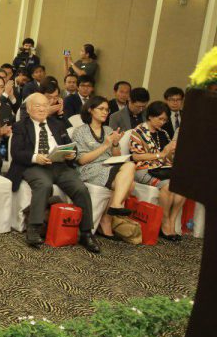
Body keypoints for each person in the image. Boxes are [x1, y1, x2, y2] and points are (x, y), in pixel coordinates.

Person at [6, 93, 100, 253]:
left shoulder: (57, 124)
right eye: (37, 106)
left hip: (59, 165)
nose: (42, 109)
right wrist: (36, 157)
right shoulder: (21, 126)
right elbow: (16, 152)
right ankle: (34, 229)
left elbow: (70, 145)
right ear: (28, 109)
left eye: (45, 105)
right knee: (44, 185)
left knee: (80, 188)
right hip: (34, 165)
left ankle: (86, 233)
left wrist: (71, 154)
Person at [73, 96, 138, 237]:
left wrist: (115, 144)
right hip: (89, 169)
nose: (105, 112)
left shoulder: (108, 129)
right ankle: (110, 213)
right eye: (101, 109)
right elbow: (81, 160)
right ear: (90, 110)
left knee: (130, 178)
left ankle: (108, 215)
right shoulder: (80, 131)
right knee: (129, 181)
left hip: (108, 166)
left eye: (107, 110)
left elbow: (116, 156)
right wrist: (105, 145)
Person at [129, 101, 184, 241]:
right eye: (160, 119)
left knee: (182, 186)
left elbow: (168, 157)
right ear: (150, 116)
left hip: (163, 168)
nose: (162, 122)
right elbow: (136, 156)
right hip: (144, 169)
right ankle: (165, 222)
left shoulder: (163, 133)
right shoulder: (138, 132)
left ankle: (172, 221)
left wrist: (172, 152)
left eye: (165, 120)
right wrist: (161, 154)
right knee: (167, 186)